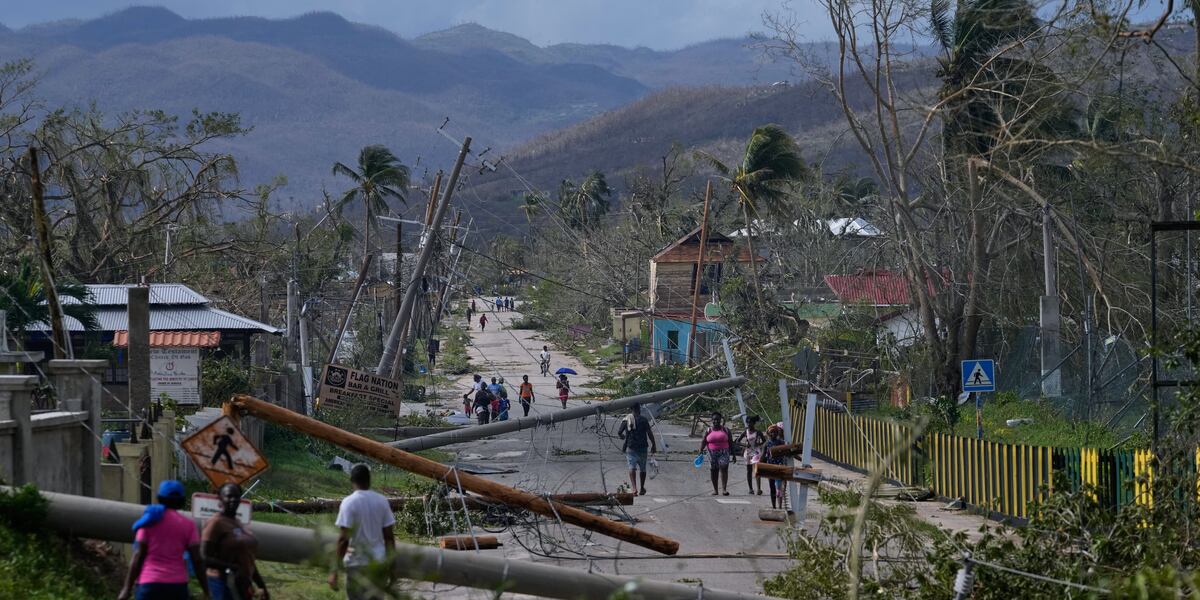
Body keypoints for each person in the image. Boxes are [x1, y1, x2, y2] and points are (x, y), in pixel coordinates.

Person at [118, 480, 209, 600]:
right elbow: (197, 560)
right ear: (182, 501)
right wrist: (207, 590)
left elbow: (138, 556)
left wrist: (126, 589)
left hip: (149, 584)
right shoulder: (188, 525)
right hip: (177, 586)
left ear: (159, 498)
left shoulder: (149, 521)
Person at [329, 465, 396, 600]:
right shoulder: (381, 501)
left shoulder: (348, 503)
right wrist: (392, 569)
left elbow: (343, 539)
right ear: (369, 480)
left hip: (356, 564)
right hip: (378, 563)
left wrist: (334, 571)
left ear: (352, 480)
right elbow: (389, 538)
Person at [202, 483, 269, 600]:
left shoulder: (238, 523)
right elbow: (204, 557)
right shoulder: (216, 523)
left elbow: (248, 559)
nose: (233, 500)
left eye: (237, 496)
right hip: (222, 584)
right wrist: (232, 567)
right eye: (229, 496)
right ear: (220, 498)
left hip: (242, 584)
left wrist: (261, 585)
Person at [617, 403, 657, 495]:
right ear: (639, 409)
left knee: (632, 468)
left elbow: (619, 432)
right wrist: (654, 445)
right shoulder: (644, 420)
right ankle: (642, 488)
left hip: (631, 447)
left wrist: (622, 436)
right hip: (643, 448)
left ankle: (634, 489)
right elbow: (649, 433)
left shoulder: (626, 420)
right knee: (643, 469)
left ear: (631, 409)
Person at [700, 412, 733, 495]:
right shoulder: (708, 430)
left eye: (718, 419)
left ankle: (724, 489)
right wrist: (700, 451)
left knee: (724, 467)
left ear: (720, 420)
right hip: (712, 453)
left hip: (724, 452)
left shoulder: (726, 430)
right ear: (712, 420)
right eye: (714, 419)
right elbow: (704, 441)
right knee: (713, 470)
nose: (716, 421)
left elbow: (731, 442)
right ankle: (715, 490)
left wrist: (734, 455)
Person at [734, 416, 767, 495]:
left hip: (756, 452)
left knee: (757, 470)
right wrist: (745, 445)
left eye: (751, 422)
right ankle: (750, 489)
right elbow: (737, 441)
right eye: (748, 422)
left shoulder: (758, 432)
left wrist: (759, 444)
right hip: (748, 452)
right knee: (749, 471)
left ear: (754, 423)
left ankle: (759, 489)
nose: (749, 424)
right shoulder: (745, 432)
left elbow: (765, 442)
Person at [763, 424, 788, 509]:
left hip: (779, 467)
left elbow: (788, 452)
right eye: (771, 432)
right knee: (772, 487)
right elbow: (763, 457)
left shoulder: (781, 443)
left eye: (774, 432)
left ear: (777, 433)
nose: (773, 434)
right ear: (768, 433)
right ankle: (774, 506)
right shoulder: (766, 444)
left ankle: (780, 506)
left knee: (779, 487)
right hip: (770, 468)